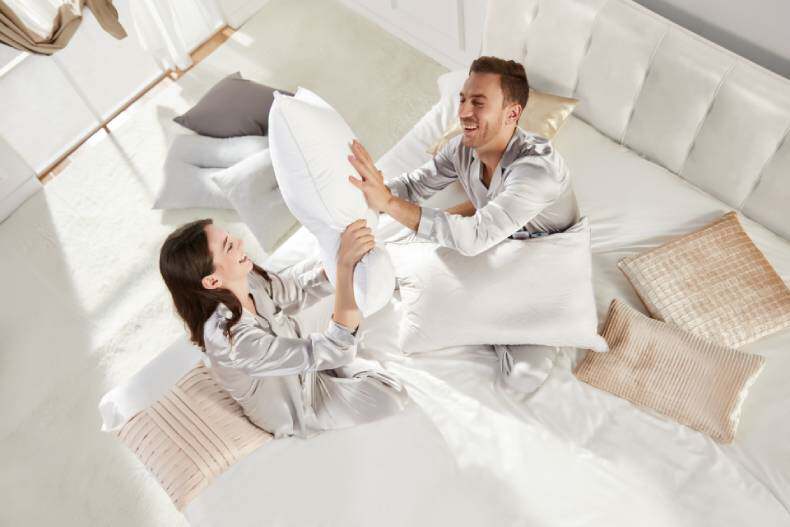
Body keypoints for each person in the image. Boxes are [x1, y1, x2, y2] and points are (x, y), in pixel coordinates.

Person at [348, 55, 581, 393]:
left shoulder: (537, 171)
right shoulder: (462, 147)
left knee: (523, 378)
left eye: (479, 102)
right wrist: (370, 189)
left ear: (512, 114)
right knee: (392, 265)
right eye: (462, 99)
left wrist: (389, 203)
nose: (464, 112)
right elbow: (414, 186)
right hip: (495, 246)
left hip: (542, 267)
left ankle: (495, 318)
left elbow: (473, 238)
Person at [159, 218, 407, 439]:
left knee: (344, 258)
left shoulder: (246, 276)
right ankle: (339, 358)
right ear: (213, 280)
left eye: (231, 237)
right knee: (390, 396)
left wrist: (340, 263)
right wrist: (343, 269)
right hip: (302, 402)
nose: (240, 241)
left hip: (299, 347)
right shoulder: (234, 342)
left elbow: (296, 290)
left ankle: (398, 258)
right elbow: (337, 349)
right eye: (229, 246)